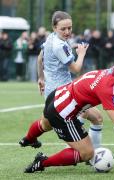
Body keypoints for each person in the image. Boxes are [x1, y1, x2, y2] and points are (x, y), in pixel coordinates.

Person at [19, 11, 103, 149]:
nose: (67, 31)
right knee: (97, 118)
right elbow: (75, 69)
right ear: (54, 28)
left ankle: (28, 138)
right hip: (64, 94)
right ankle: (94, 154)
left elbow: (40, 58)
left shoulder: (50, 39)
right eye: (63, 29)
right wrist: (81, 54)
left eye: (69, 28)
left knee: (46, 124)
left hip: (52, 92)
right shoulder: (60, 45)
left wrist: (41, 78)